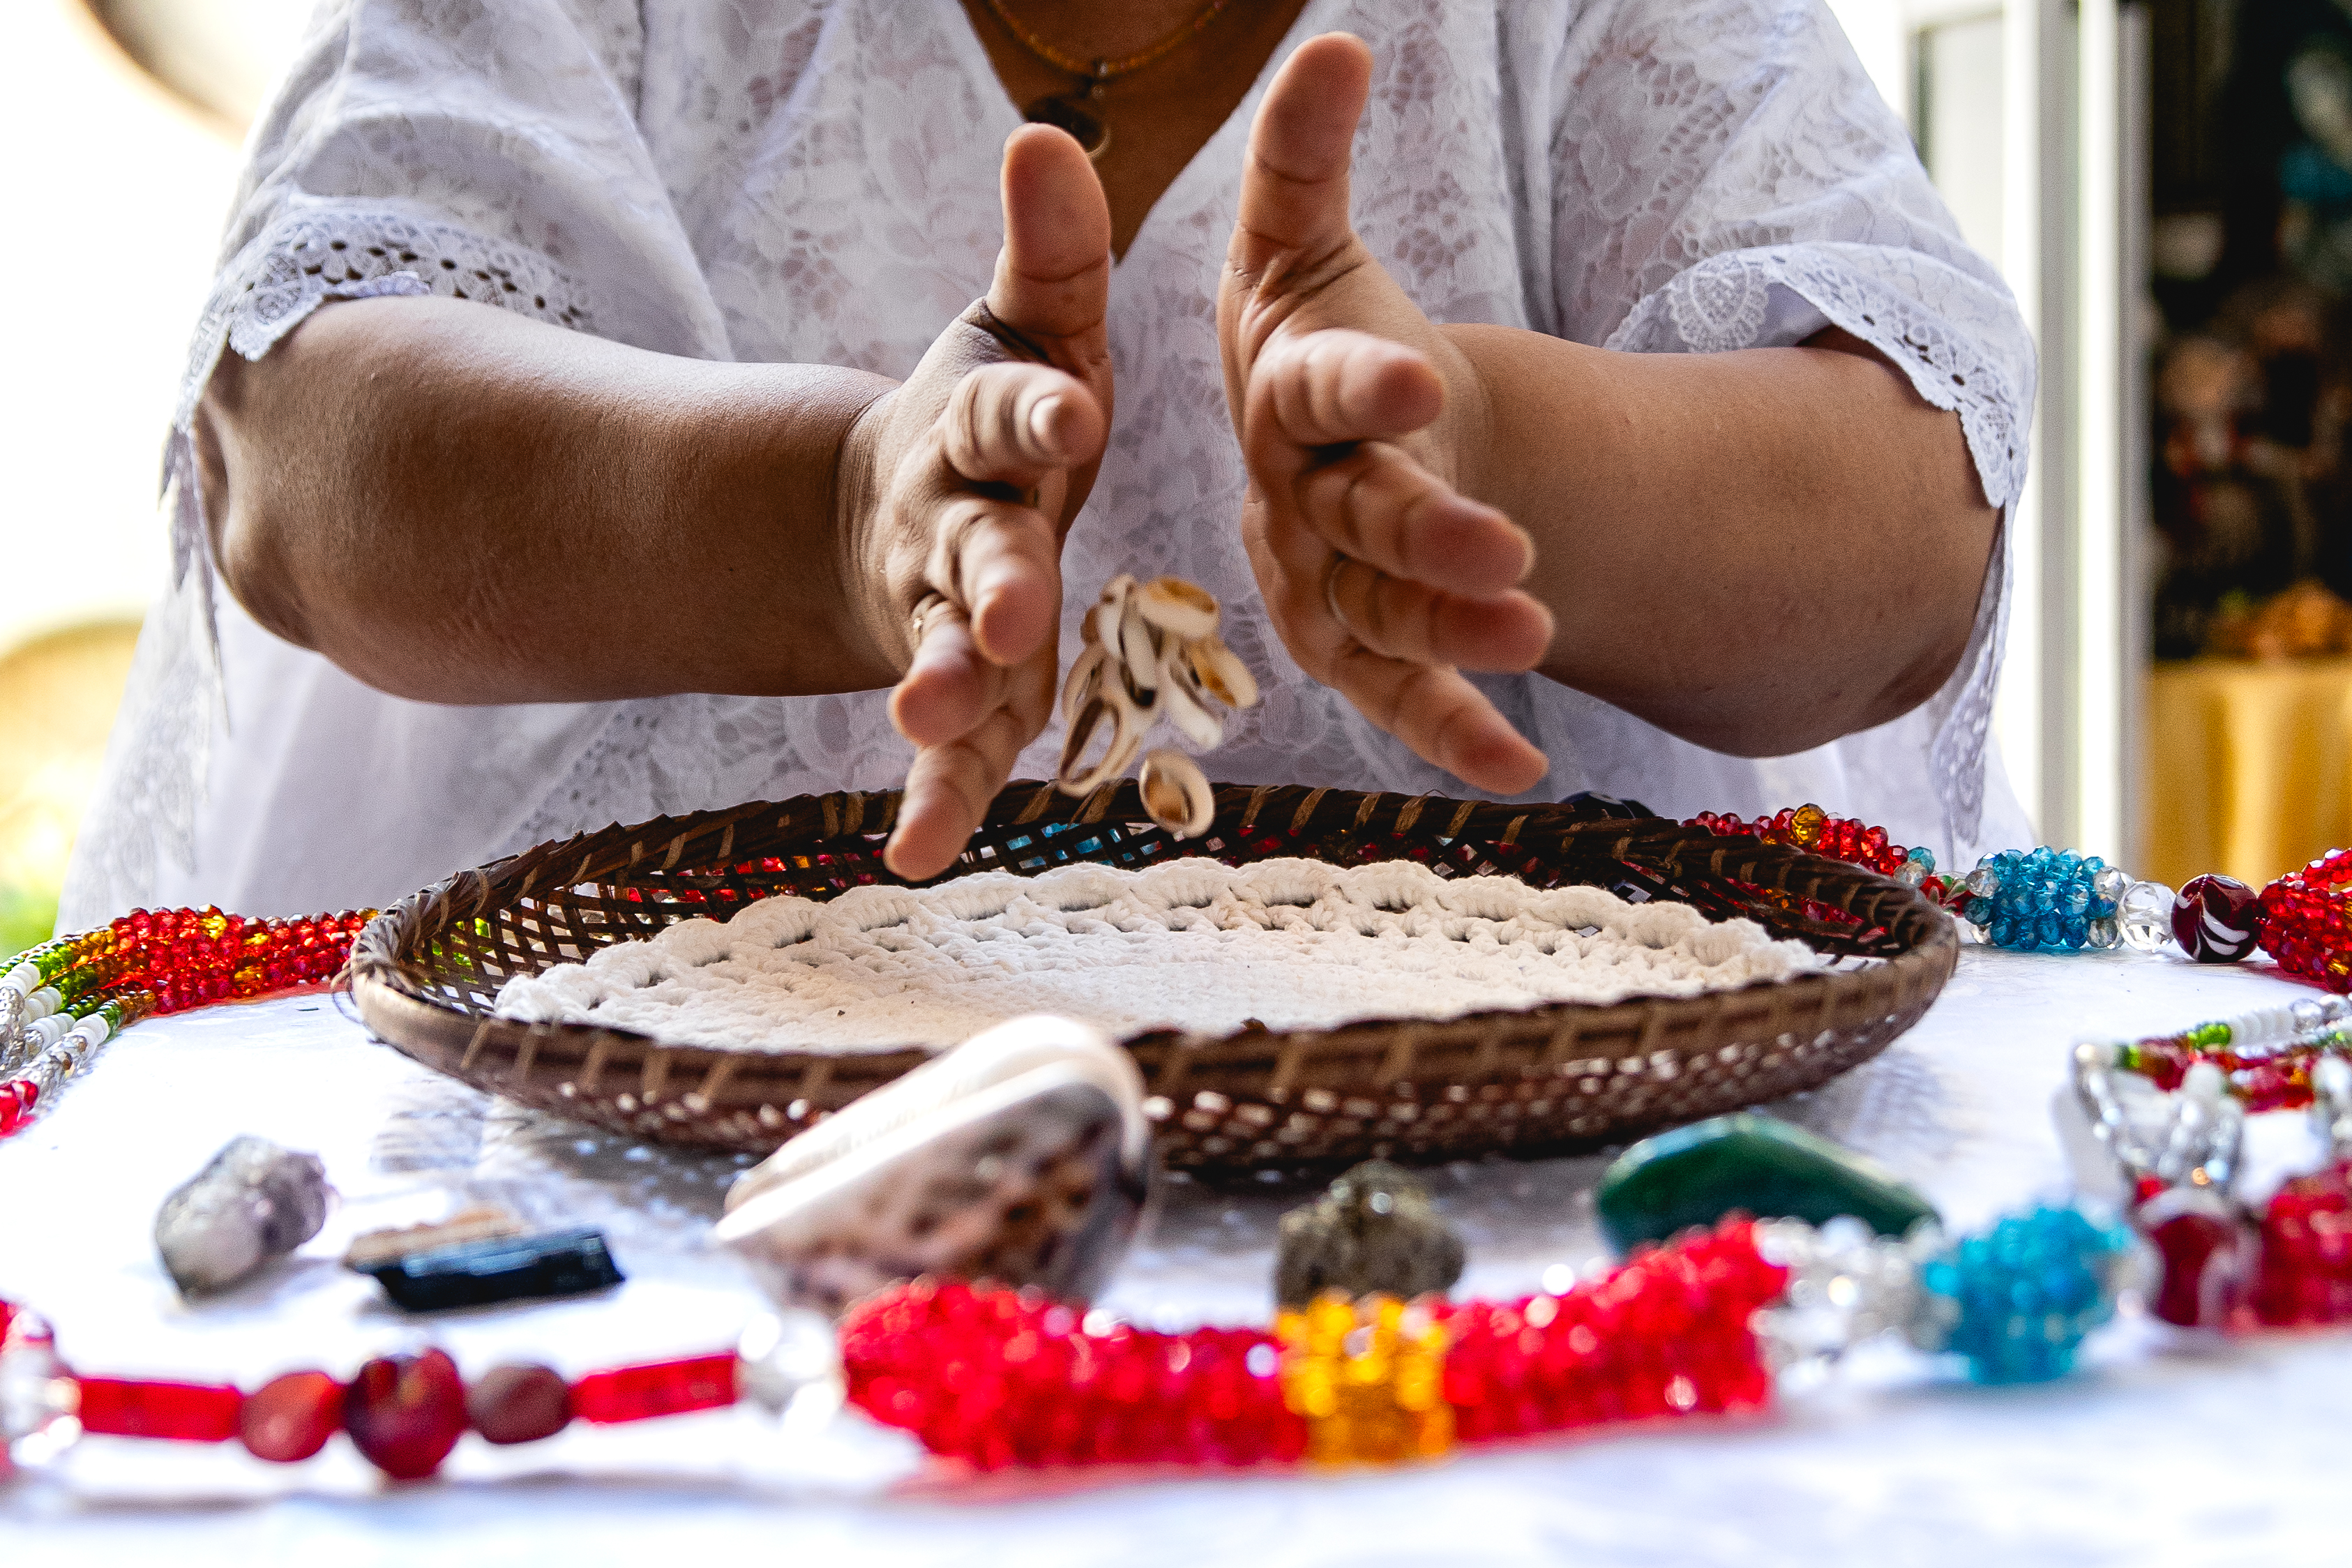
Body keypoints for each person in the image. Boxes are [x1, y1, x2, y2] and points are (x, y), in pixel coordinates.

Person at [60, 0, 2034, 928]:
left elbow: (1905, 533)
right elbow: (302, 453)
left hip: (1532, 1285)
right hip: (629, 1252)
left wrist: (1500, 456)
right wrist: (835, 512)